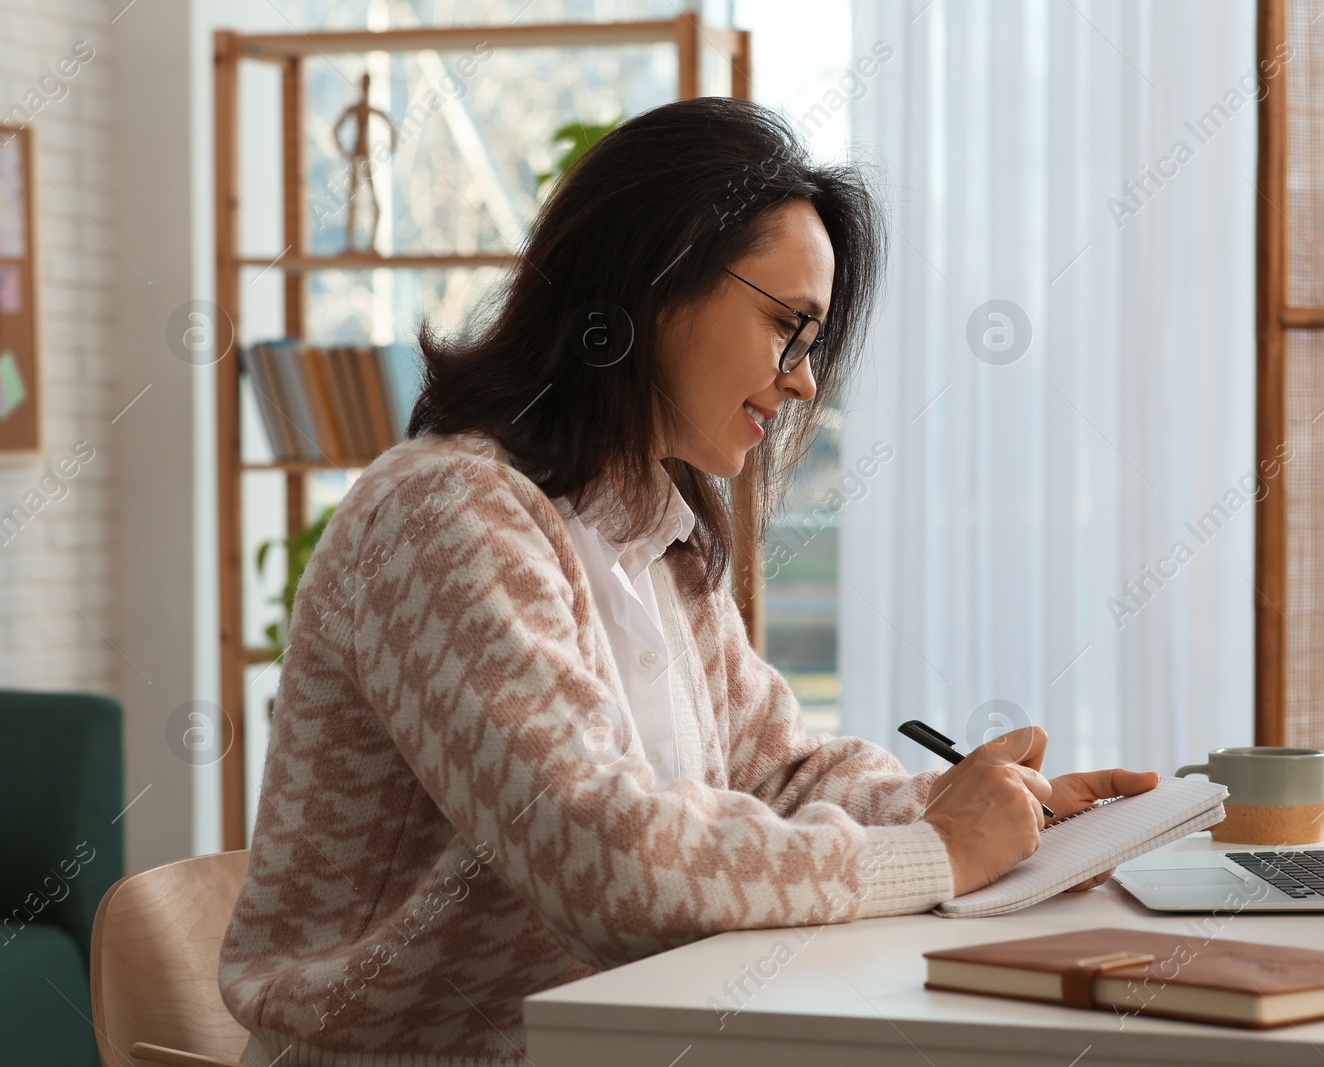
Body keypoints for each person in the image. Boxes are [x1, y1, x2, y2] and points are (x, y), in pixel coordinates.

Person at [219, 96, 1159, 1065]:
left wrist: (969, 805)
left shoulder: (651, 524)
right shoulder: (442, 514)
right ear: (655, 279)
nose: (804, 381)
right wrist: (934, 852)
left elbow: (780, 775)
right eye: (788, 326)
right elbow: (604, 853)